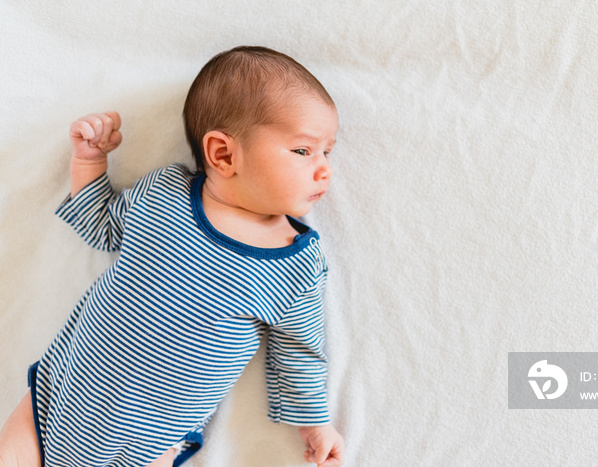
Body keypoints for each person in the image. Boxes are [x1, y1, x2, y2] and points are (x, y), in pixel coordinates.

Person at [0, 46, 344, 467]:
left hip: (150, 444)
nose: (324, 168)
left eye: (328, 151)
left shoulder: (295, 263)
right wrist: (89, 160)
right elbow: (102, 226)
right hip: (63, 401)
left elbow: (299, 350)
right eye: (303, 151)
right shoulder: (165, 194)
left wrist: (315, 424)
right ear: (223, 154)